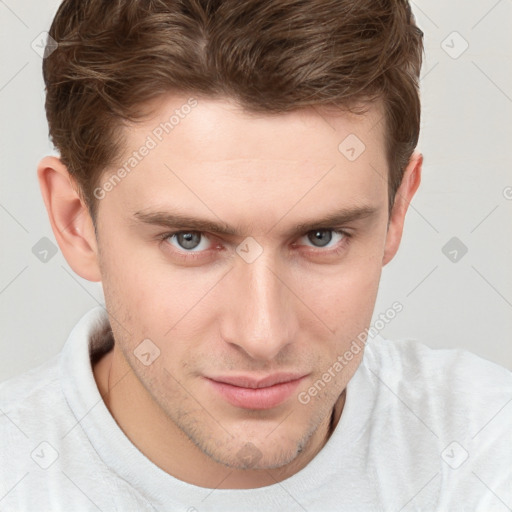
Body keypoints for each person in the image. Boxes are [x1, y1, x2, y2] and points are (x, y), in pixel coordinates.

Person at [1, 0, 511, 510]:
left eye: (321, 237)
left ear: (397, 211)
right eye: (190, 240)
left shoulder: (488, 450)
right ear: (76, 222)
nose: (262, 336)